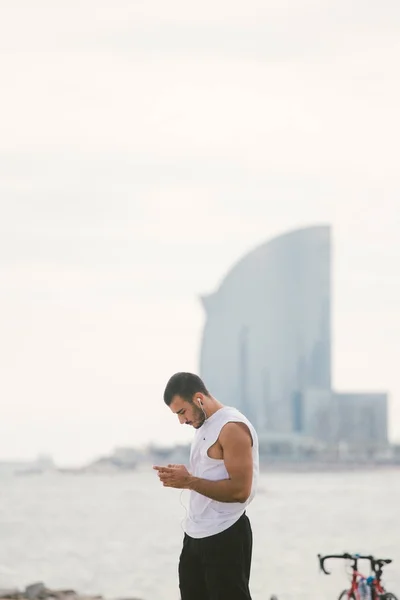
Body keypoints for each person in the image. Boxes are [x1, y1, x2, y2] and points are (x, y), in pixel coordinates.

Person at [153, 372, 259, 600]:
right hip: (194, 535)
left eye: (182, 412)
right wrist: (183, 477)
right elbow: (210, 476)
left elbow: (241, 491)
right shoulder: (203, 426)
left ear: (199, 398)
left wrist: (188, 481)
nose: (182, 421)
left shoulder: (231, 427)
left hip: (226, 533)